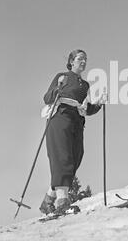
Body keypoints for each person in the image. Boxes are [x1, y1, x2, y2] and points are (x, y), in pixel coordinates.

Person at [39, 49, 106, 215]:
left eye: (85, 59)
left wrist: (99, 104)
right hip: (60, 119)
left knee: (76, 157)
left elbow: (87, 108)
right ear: (71, 61)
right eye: (80, 58)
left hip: (76, 122)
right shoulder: (62, 76)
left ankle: (48, 201)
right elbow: (47, 98)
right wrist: (57, 90)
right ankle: (62, 202)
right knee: (63, 158)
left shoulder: (85, 85)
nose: (83, 62)